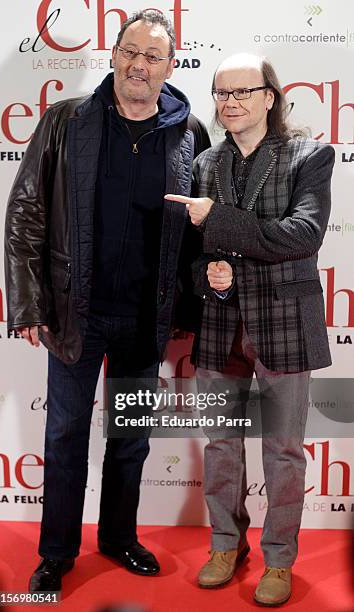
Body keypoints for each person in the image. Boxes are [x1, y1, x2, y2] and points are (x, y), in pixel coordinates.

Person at [4, 9, 210, 594]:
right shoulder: (68, 121)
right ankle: (56, 552)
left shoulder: (189, 133)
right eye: (130, 52)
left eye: (153, 57)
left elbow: (198, 232)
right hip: (77, 312)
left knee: (131, 437)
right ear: (114, 55)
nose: (139, 65)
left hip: (146, 317)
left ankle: (119, 537)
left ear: (171, 66)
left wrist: (190, 312)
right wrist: (30, 304)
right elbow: (25, 213)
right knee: (65, 435)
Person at [165, 52, 334, 606]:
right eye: (221, 93)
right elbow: (191, 256)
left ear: (270, 97)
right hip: (219, 326)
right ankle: (224, 543)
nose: (230, 102)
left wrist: (218, 219)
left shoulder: (310, 156)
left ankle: (280, 559)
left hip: (285, 324)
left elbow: (302, 236)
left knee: (283, 451)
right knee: (220, 445)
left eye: (242, 92)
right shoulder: (206, 162)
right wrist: (209, 276)